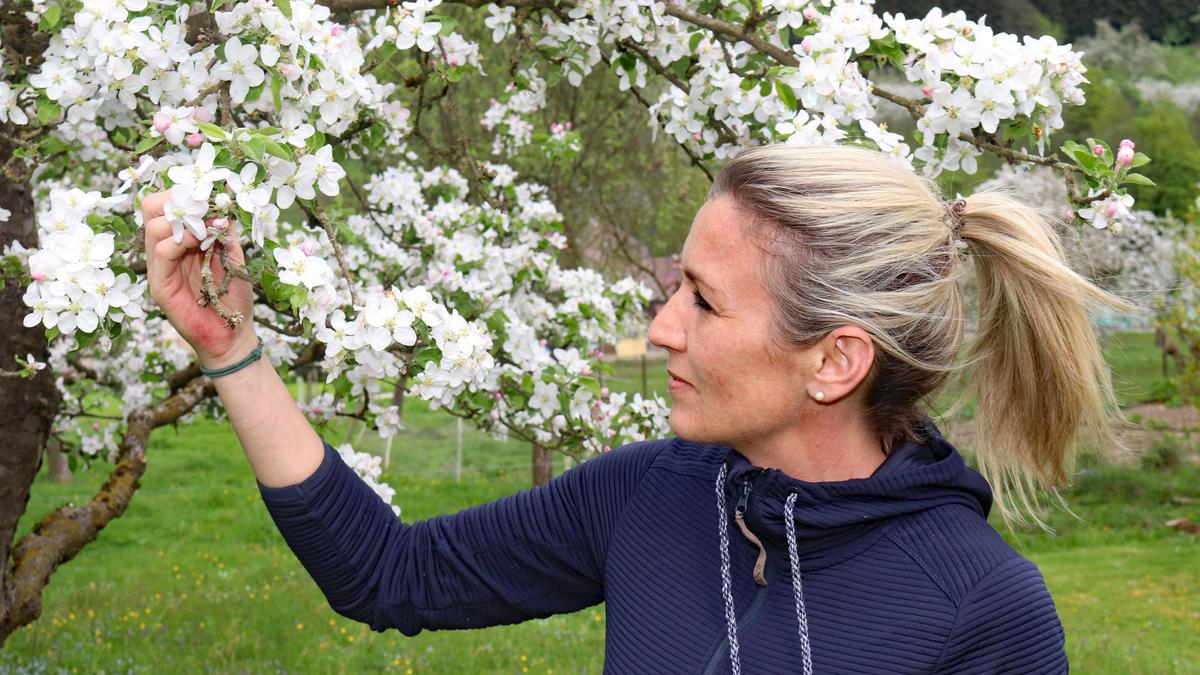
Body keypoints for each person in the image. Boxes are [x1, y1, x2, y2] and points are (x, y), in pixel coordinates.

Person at [142, 144, 1131, 673]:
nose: (662, 328)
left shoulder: (980, 613)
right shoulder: (649, 495)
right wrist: (236, 352)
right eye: (674, 286)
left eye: (703, 299)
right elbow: (391, 577)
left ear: (835, 360)